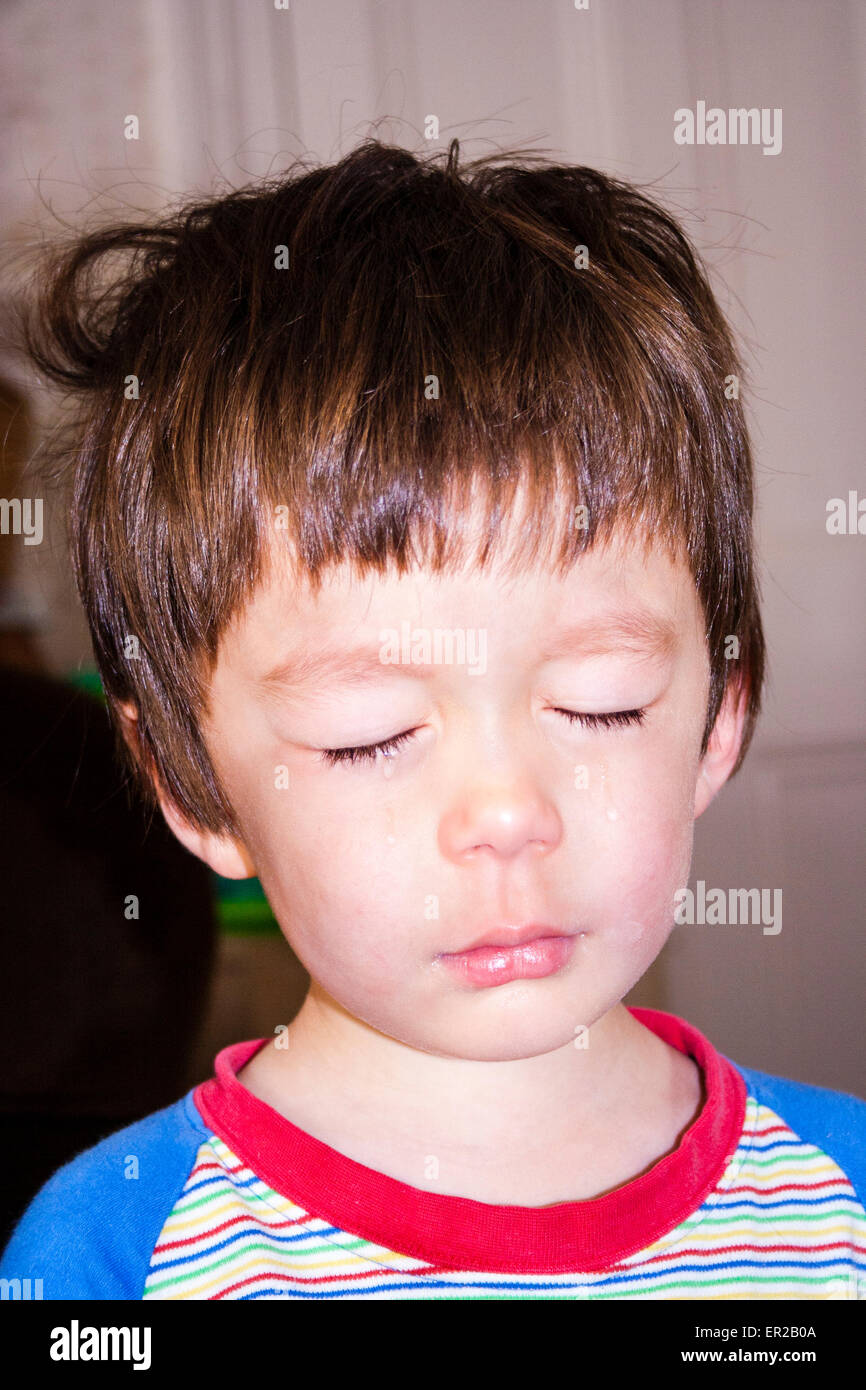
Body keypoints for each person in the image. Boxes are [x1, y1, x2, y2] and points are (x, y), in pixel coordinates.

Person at [1, 139, 863, 1301]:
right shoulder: (108, 1259)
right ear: (192, 780)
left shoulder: (839, 1200)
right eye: (367, 733)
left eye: (597, 705)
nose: (507, 813)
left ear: (718, 717)